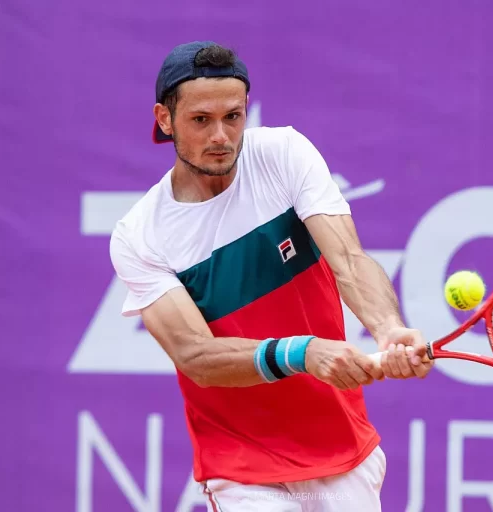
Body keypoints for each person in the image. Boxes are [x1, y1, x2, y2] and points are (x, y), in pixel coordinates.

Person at [109, 40, 434, 512]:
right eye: (201, 120)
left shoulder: (283, 153)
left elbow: (348, 259)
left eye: (233, 117)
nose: (221, 135)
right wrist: (302, 352)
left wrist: (387, 327)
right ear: (165, 119)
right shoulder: (140, 235)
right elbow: (196, 356)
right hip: (242, 464)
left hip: (338, 447)